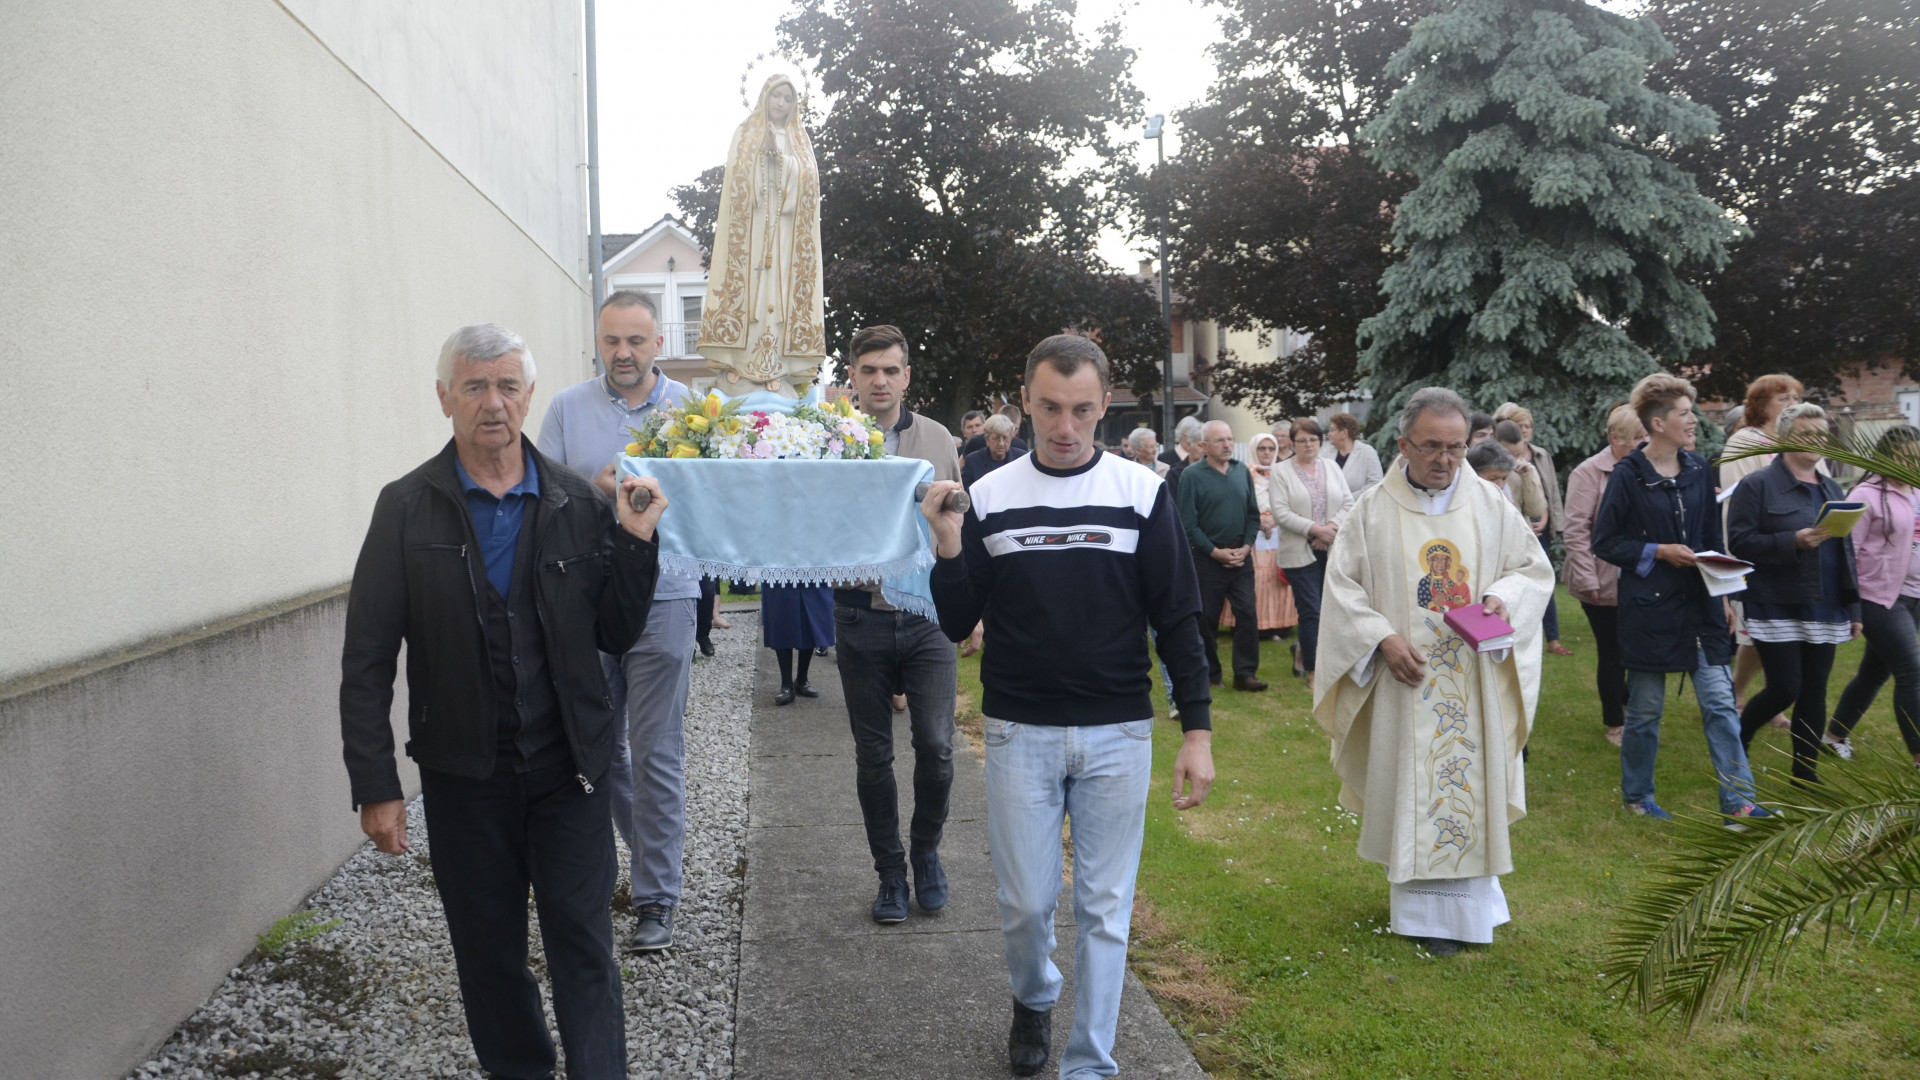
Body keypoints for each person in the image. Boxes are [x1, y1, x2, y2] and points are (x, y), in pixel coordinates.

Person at [341, 324, 668, 1080]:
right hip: (465, 779)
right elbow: (366, 660)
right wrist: (377, 786)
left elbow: (616, 634)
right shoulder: (405, 508)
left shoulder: (574, 504)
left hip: (568, 775)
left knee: (583, 947)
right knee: (488, 957)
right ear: (445, 397)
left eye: (508, 386)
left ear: (528, 395)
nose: (494, 404)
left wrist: (636, 542)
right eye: (476, 386)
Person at [921, 333, 1215, 1080]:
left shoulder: (1141, 492)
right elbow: (958, 623)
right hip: (1021, 729)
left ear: (1104, 405)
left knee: (1105, 911)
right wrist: (950, 542)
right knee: (1025, 905)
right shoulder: (989, 496)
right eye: (1049, 408)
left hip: (1119, 727)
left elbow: (1178, 615)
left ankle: (1090, 1062)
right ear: (1023, 401)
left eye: (1082, 410)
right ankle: (1033, 994)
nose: (1064, 426)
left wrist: (1198, 729)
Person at [1313, 387, 1554, 957]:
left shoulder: (1490, 505)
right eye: (1431, 447)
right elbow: (1342, 590)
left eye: (1456, 447)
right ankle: (1424, 916)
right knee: (1414, 783)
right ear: (1403, 444)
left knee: (1469, 783)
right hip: (1406, 680)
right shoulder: (1371, 510)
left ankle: (1472, 912)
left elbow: (1532, 570)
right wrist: (1381, 638)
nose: (1445, 459)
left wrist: (1501, 598)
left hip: (1473, 679)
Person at [537, 290, 701, 953]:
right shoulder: (566, 410)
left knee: (658, 751)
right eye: (612, 341)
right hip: (586, 605)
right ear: (597, 343)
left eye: (636, 340)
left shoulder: (692, 412)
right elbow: (539, 496)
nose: (624, 353)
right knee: (595, 752)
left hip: (665, 598)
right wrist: (594, 490)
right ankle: (640, 861)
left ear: (657, 343)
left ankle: (656, 896)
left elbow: (712, 504)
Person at [829, 325, 964, 923]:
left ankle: (927, 852)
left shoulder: (936, 438)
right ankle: (889, 872)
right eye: (868, 371)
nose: (880, 381)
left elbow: (959, 521)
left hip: (928, 614)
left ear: (906, 376)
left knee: (936, 746)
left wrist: (969, 603)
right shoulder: (832, 439)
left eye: (891, 370)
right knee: (872, 755)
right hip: (859, 615)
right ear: (852, 379)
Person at [1592, 373, 1764, 824]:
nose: (1694, 421)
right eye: (1685, 414)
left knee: (1721, 705)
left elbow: (1710, 538)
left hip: (1701, 607)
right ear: (1658, 423)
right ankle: (1637, 797)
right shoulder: (1629, 476)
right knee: (1646, 712)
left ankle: (1739, 801)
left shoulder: (1698, 470)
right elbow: (1606, 542)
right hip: (1649, 609)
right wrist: (1658, 552)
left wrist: (1723, 595)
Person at [1727, 403, 1861, 785]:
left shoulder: (1832, 487)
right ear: (1785, 439)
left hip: (1827, 602)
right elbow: (1739, 542)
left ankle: (1805, 774)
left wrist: (1853, 607)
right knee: (1786, 687)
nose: (1816, 442)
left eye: (1822, 434)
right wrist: (1792, 541)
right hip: (1775, 602)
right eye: (1806, 434)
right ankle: (1739, 738)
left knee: (1815, 691)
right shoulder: (1758, 484)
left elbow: (1844, 551)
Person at [1826, 426, 1920, 767]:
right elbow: (1843, 551)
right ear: (1885, 457)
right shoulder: (1865, 495)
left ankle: (1834, 736)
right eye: (1904, 457)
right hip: (1878, 597)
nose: (1911, 463)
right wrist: (1852, 605)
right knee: (1912, 673)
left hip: (1913, 595)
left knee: (1874, 673)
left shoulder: (1915, 490)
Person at [1721, 374, 1807, 726]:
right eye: (1783, 398)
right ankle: (1745, 694)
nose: (1792, 404)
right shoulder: (1746, 441)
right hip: (1758, 549)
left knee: (1778, 631)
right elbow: (1736, 499)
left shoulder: (1799, 441)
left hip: (1798, 550)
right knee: (1758, 631)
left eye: (1796, 397)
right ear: (1760, 405)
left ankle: (1761, 695)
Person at [1563, 404, 1646, 747]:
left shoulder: (1648, 467)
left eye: (1647, 436)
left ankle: (1631, 709)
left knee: (1637, 648)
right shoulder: (1588, 473)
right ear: (1614, 438)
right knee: (1612, 651)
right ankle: (1615, 722)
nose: (1645, 443)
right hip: (1600, 579)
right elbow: (1576, 531)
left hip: (1641, 575)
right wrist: (1588, 578)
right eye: (1637, 438)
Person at [1178, 420, 1267, 692]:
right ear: (1204, 446)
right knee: (1206, 619)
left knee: (1247, 614)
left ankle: (1245, 674)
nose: (1228, 445)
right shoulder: (1192, 476)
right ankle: (1211, 674)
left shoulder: (1242, 472)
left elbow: (1253, 515)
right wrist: (1215, 552)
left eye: (1230, 439)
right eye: (1220, 440)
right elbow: (1187, 524)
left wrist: (1246, 547)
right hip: (1208, 559)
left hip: (1241, 556)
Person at [1270, 419, 1353, 691]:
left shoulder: (1331, 467)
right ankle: (1315, 673)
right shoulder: (1281, 471)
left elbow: (1348, 502)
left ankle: (1306, 653)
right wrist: (1315, 530)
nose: (1308, 445)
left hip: (1331, 548)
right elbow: (1281, 513)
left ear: (1321, 442)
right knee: (1312, 612)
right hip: (1299, 552)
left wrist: (1330, 529)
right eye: (1302, 440)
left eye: (1314, 440)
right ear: (1292, 443)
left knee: (1333, 611)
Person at [1222, 433, 1298, 646]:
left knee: (1276, 581)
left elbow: (1292, 502)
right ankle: (1249, 625)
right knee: (1254, 581)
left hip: (1278, 535)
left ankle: (1277, 625)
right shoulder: (1243, 473)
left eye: (1271, 449)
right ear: (1254, 450)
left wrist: (1274, 519)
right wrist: (1259, 520)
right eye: (1262, 449)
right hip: (1252, 537)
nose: (1266, 453)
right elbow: (1237, 502)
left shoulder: (1283, 474)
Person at [763, 584, 832, 705]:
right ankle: (786, 685)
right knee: (782, 619)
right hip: (781, 571)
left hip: (811, 572)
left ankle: (802, 680)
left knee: (810, 619)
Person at [963, 414, 1026, 488]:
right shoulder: (972, 461)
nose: (1001, 443)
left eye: (1005, 438)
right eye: (996, 438)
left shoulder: (1021, 459)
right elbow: (967, 491)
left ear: (1011, 438)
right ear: (987, 439)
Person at [1328, 412, 1383, 494]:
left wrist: (1349, 500)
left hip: (1359, 505)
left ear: (1344, 432)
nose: (1329, 434)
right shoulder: (1327, 454)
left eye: (1332, 430)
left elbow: (1376, 484)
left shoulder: (1366, 452)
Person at [963, 405, 1029, 457]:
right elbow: (959, 468)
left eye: (1015, 429)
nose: (1012, 433)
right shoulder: (975, 442)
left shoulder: (1021, 446)